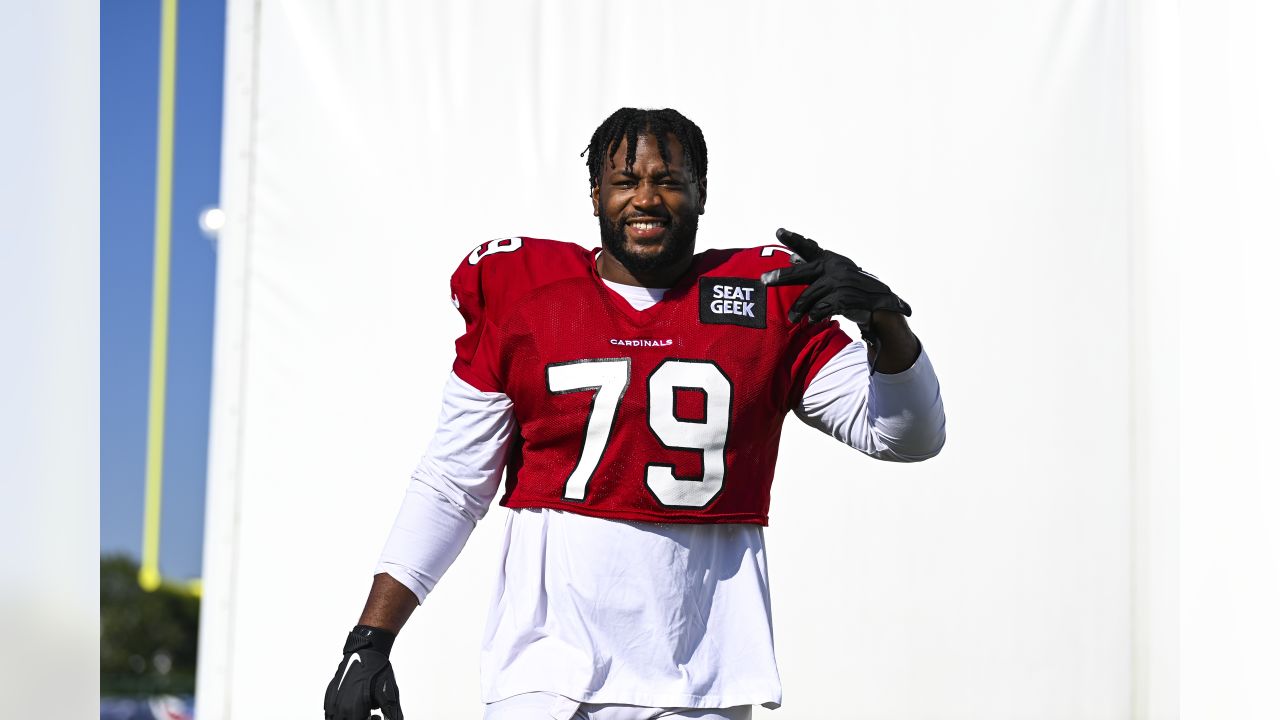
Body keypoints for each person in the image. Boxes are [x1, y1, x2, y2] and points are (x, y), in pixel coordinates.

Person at [322, 107, 946, 720]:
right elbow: (453, 483)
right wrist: (371, 638)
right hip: (545, 673)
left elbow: (905, 435)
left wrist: (884, 326)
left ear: (702, 193)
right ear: (595, 195)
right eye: (625, 181)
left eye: (669, 181)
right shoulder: (523, 292)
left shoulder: (768, 295)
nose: (646, 199)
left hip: (703, 677)